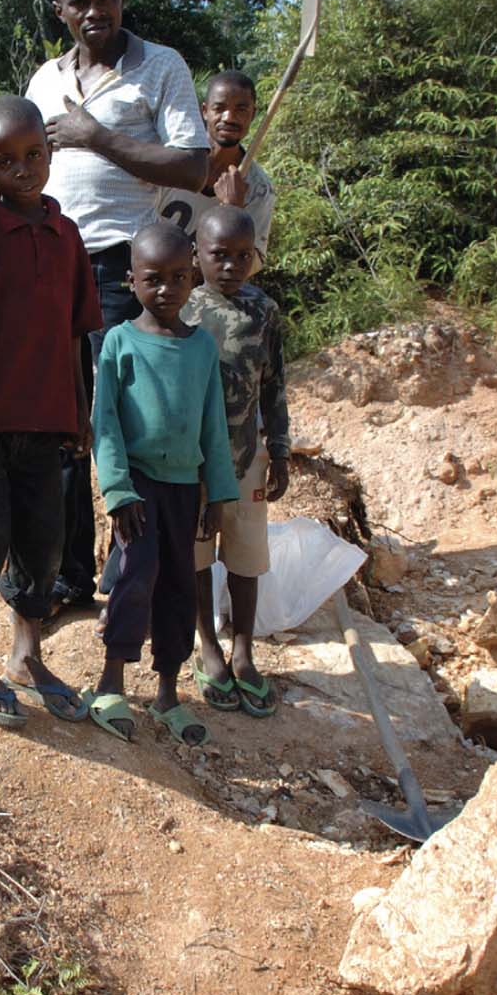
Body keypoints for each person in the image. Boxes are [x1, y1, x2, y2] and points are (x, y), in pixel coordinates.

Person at [26, 0, 210, 614]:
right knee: (63, 421)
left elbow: (193, 166)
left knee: (124, 421)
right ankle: (73, 572)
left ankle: (135, 566)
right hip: (50, 267)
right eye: (80, 2)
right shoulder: (44, 78)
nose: (93, 11)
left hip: (119, 268)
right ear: (60, 12)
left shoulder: (161, 67)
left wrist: (95, 136)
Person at [0, 96, 103, 723]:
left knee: (45, 544)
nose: (23, 169)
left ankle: (26, 652)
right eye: (5, 161)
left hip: (49, 418)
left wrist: (80, 408)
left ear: (50, 151)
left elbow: (73, 332)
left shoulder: (67, 236)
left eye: (33, 154)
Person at [86, 223, 238, 747]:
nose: (167, 289)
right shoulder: (118, 344)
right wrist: (118, 491)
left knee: (179, 586)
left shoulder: (200, 349)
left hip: (184, 490)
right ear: (131, 280)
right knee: (136, 578)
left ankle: (168, 693)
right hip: (140, 489)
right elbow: (104, 423)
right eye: (154, 278)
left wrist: (217, 491)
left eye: (179, 277)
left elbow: (213, 425)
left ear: (194, 276)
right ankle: (110, 683)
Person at [184, 206, 290, 718]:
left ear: (255, 256)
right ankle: (208, 644)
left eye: (241, 256)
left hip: (247, 455)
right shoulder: (181, 308)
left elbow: (275, 387)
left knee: (246, 556)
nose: (230, 265)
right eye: (218, 255)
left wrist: (282, 450)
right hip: (192, 462)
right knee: (198, 556)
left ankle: (243, 649)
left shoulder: (264, 311)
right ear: (196, 254)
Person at [156, 70, 276, 255]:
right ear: (204, 111)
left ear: (253, 114)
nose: (229, 118)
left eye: (241, 110)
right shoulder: (172, 160)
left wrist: (234, 212)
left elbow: (251, 260)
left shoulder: (259, 189)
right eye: (219, 108)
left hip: (208, 283)